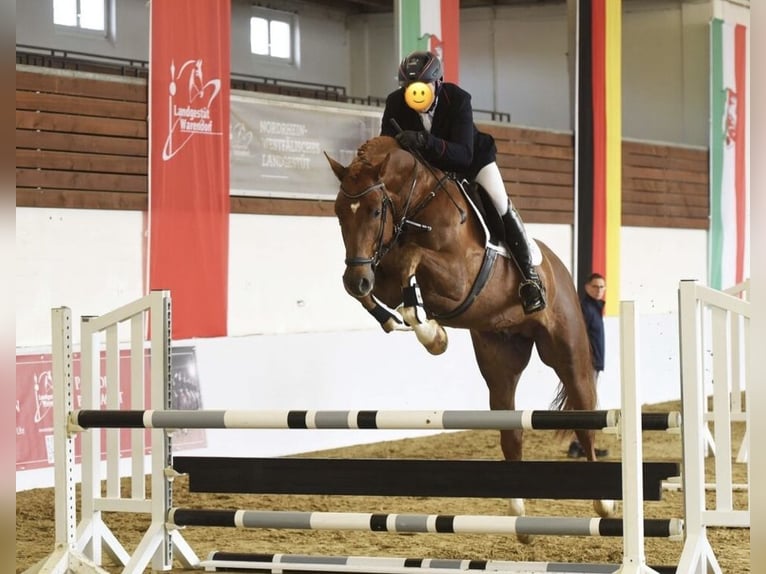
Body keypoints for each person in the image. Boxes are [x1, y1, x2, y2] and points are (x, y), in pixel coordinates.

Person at [380, 51, 546, 315]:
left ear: (437, 82)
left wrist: (424, 142)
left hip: (472, 162)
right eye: (409, 87)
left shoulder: (457, 100)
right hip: (428, 172)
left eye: (421, 87)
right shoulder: (396, 103)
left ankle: (530, 280)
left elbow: (463, 154)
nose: (415, 93)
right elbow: (387, 146)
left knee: (499, 204)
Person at [568, 272, 608, 458]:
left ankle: (581, 444)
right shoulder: (586, 308)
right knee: (586, 405)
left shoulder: (594, 308)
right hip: (588, 364)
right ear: (586, 287)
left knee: (587, 405)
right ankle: (580, 444)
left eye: (602, 287)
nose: (599, 290)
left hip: (594, 363)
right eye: (595, 286)